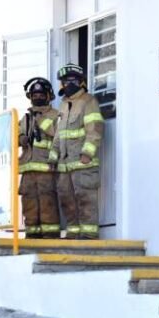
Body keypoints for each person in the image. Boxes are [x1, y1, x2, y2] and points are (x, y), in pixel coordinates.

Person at [48, 64, 104, 240]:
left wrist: (87, 153)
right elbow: (58, 136)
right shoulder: (63, 106)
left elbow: (95, 129)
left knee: (85, 199)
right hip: (64, 167)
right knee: (67, 201)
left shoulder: (88, 101)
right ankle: (73, 234)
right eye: (65, 81)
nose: (68, 84)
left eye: (72, 80)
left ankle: (88, 235)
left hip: (82, 164)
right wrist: (52, 158)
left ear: (81, 82)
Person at [18, 77, 60, 239]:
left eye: (41, 94)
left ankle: (50, 236)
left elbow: (57, 134)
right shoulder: (26, 118)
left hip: (47, 169)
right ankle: (32, 235)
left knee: (47, 202)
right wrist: (21, 136)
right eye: (34, 95)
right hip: (28, 170)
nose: (37, 97)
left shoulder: (56, 115)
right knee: (29, 203)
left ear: (49, 96)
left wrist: (40, 119)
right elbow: (13, 135)